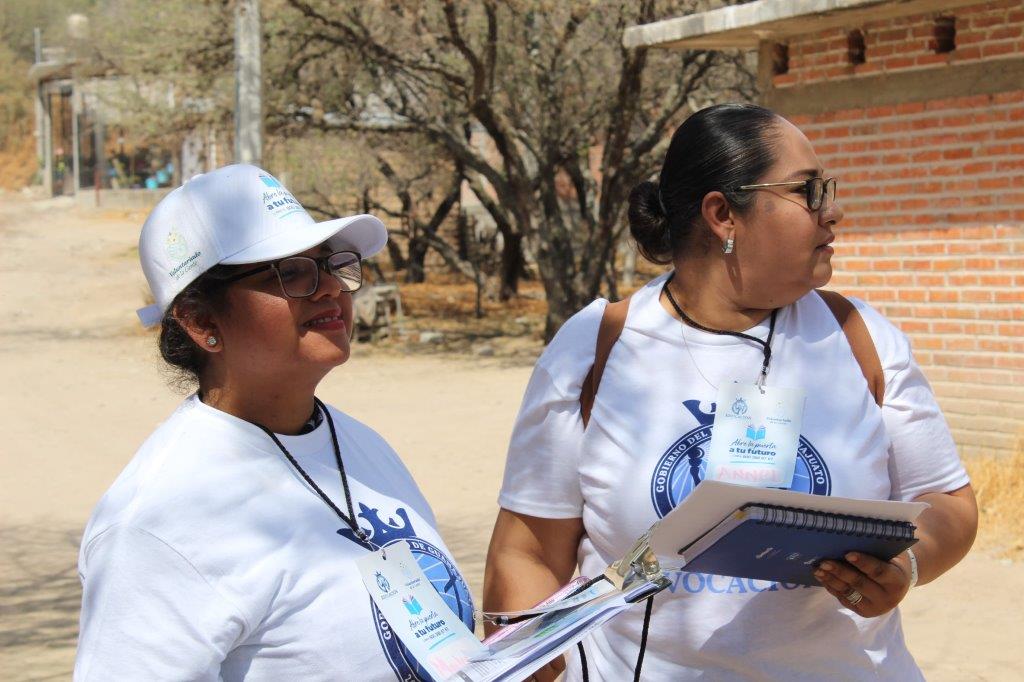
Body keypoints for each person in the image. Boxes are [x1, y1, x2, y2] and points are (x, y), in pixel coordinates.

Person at [484, 103, 977, 681]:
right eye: (807, 191)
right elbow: (528, 554)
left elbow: (949, 504)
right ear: (723, 214)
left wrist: (908, 566)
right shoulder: (597, 348)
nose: (834, 211)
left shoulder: (860, 338)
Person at [74, 164, 474, 681]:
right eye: (291, 272)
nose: (330, 288)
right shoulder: (155, 527)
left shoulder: (358, 445)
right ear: (201, 321)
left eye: (331, 265)